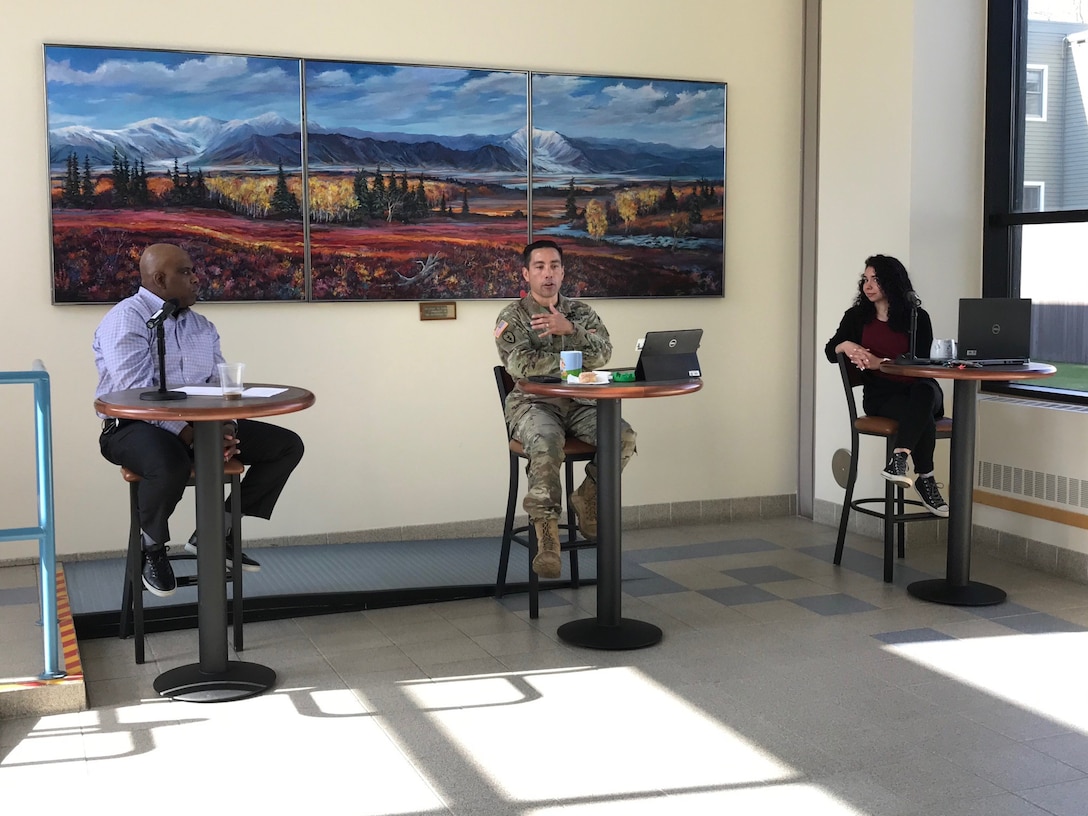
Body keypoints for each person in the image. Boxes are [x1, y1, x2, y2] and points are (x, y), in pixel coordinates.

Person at [94, 243, 305, 597]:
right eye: (187, 272)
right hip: (132, 427)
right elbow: (135, 394)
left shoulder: (202, 326)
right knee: (169, 461)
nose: (196, 279)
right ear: (160, 279)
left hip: (200, 428)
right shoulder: (125, 319)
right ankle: (153, 549)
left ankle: (214, 533)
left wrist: (227, 428)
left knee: (286, 446)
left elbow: (218, 386)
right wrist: (189, 435)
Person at [495, 240, 637, 578]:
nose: (548, 274)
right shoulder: (511, 317)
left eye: (555, 266)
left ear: (563, 271)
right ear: (526, 273)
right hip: (534, 404)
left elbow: (604, 354)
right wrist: (572, 359)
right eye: (540, 267)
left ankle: (588, 496)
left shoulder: (581, 313)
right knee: (545, 442)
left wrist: (570, 330)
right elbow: (521, 365)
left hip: (580, 402)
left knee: (623, 436)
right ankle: (547, 536)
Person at [825, 254, 948, 517]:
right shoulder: (857, 317)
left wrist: (879, 363)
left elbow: (920, 365)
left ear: (892, 283)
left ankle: (900, 458)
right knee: (920, 413)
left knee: (923, 392)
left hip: (919, 389)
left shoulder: (917, 317)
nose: (867, 286)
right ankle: (924, 476)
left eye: (875, 280)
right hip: (881, 396)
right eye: (865, 280)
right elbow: (829, 351)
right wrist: (846, 345)